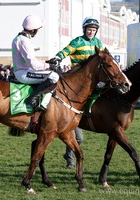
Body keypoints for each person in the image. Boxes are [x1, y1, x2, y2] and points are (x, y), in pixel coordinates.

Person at [49, 16, 103, 168]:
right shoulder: (78, 41)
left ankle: (90, 113)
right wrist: (57, 58)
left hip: (92, 81)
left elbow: (104, 55)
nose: (91, 32)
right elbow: (65, 52)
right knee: (78, 137)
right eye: (89, 29)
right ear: (84, 30)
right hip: (77, 80)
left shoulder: (98, 43)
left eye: (93, 30)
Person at [11, 15, 59, 110]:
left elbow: (32, 60)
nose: (37, 31)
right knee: (54, 76)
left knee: (52, 75)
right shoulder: (24, 41)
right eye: (37, 29)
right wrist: (49, 65)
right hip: (23, 73)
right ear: (33, 30)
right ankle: (32, 99)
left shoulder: (21, 38)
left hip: (23, 71)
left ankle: (42, 102)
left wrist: (46, 62)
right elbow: (33, 64)